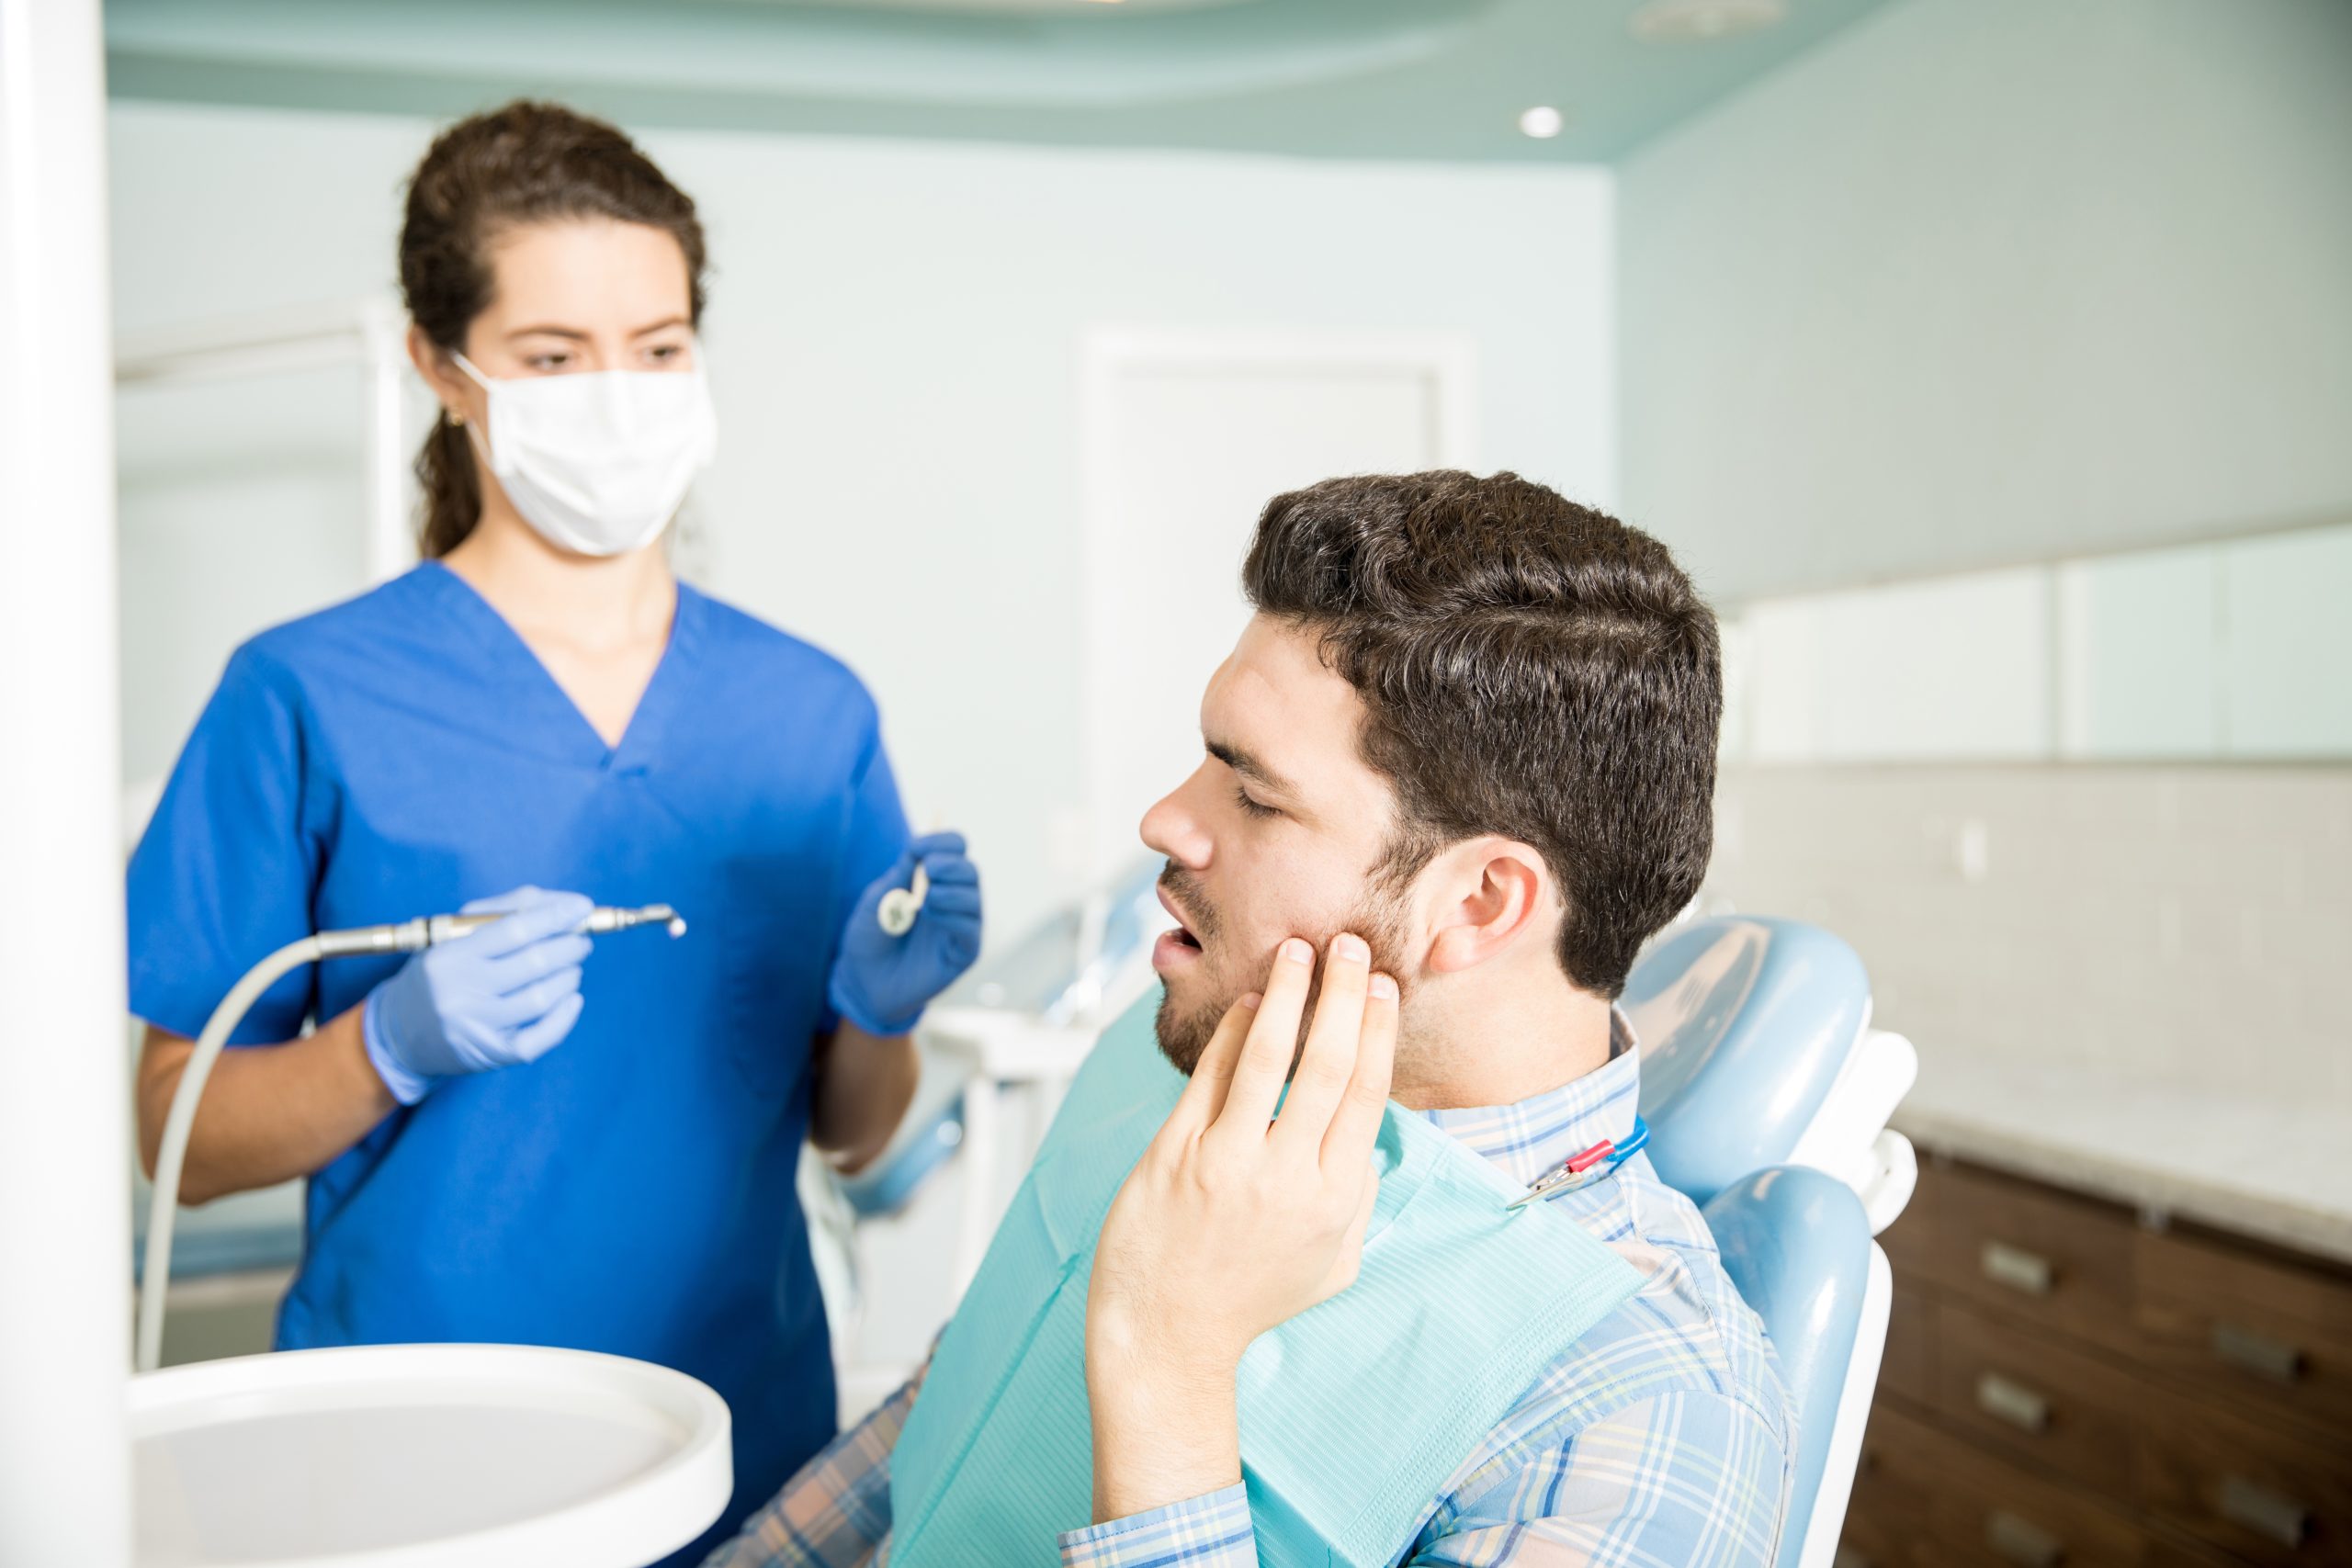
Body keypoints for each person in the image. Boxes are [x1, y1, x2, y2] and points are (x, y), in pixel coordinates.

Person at [125, 101, 980, 1561]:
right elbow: (175, 1135)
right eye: (552, 356)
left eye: (657, 348)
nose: (619, 394)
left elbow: (856, 1131)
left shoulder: (806, 708)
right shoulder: (305, 693)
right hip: (406, 1442)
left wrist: (878, 1014)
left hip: (737, 1442)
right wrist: (384, 1045)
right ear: (439, 369)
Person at [707, 469, 1793, 1568]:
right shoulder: (1182, 1048)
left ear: (1477, 904)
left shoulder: (1637, 1404)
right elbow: (967, 1388)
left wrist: (1169, 1365)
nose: (1164, 819)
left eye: (1256, 793)